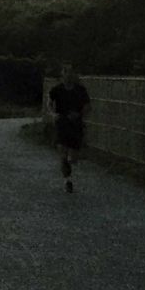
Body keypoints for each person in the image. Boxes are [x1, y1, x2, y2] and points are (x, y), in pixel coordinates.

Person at [47, 64, 91, 193]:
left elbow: (88, 106)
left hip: (76, 124)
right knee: (63, 152)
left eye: (71, 72)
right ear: (62, 74)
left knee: (74, 157)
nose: (69, 75)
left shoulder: (80, 90)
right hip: (62, 123)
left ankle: (69, 163)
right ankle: (67, 180)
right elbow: (49, 103)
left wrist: (79, 114)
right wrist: (53, 114)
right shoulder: (56, 89)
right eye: (66, 72)